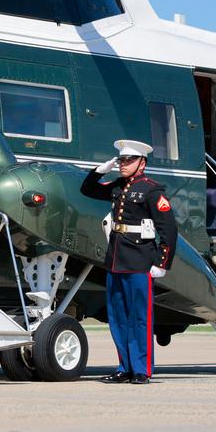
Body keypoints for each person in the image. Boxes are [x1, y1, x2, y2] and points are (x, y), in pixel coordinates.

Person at [80, 139, 178, 384]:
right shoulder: (118, 186)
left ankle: (141, 369)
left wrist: (161, 262)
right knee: (118, 317)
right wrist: (98, 172)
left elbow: (169, 230)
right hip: (115, 259)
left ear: (141, 163)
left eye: (128, 160)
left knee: (139, 318)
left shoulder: (151, 190)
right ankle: (125, 367)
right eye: (121, 160)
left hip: (139, 260)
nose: (123, 164)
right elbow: (88, 190)